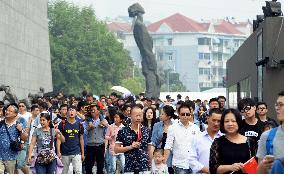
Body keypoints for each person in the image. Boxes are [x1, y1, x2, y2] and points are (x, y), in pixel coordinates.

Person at [209, 109, 257, 174]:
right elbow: (213, 169)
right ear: (223, 124)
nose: (230, 124)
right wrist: (230, 167)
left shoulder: (250, 142)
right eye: (226, 121)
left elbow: (256, 167)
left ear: (238, 122)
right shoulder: (218, 143)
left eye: (233, 121)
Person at [164, 102, 200, 174]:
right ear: (179, 114)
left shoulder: (196, 128)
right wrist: (164, 162)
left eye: (188, 114)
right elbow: (168, 146)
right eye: (183, 114)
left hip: (194, 164)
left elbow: (199, 145)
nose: (185, 116)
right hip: (179, 164)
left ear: (191, 114)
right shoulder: (172, 128)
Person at [114, 104, 152, 173]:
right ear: (130, 115)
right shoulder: (123, 131)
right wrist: (130, 147)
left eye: (140, 115)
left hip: (144, 168)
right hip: (129, 168)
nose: (138, 118)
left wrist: (151, 164)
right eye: (136, 115)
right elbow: (116, 149)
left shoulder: (147, 131)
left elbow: (150, 149)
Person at [256, 91, 284, 174]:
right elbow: (259, 172)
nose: (277, 108)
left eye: (281, 105)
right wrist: (263, 165)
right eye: (276, 104)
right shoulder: (267, 136)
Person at [190, 108, 223, 174]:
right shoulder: (197, 138)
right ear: (207, 118)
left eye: (219, 121)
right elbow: (191, 159)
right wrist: (206, 169)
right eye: (213, 120)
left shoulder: (225, 138)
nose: (216, 123)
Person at [0, 104, 28, 174]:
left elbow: (24, 138)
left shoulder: (18, 124)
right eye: (7, 110)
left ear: (15, 114)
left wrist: (21, 130)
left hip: (11, 157)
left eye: (10, 111)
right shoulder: (1, 124)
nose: (7, 112)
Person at [150, 105, 177, 174]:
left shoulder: (175, 126)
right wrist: (151, 158)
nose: (160, 115)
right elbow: (153, 142)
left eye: (162, 114)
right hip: (159, 155)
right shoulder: (157, 125)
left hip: (172, 156)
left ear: (169, 116)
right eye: (160, 113)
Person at [57, 106, 84, 174]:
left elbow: (81, 139)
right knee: (65, 172)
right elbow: (59, 139)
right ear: (67, 112)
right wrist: (58, 152)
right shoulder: (62, 124)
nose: (71, 112)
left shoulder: (79, 124)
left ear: (76, 113)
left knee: (78, 172)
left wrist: (82, 153)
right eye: (70, 110)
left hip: (76, 152)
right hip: (65, 152)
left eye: (73, 110)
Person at [84, 104, 108, 174]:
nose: (92, 112)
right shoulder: (87, 121)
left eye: (93, 110)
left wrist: (106, 125)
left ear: (98, 111)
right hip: (90, 146)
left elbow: (107, 133)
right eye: (91, 110)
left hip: (100, 145)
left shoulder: (103, 120)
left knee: (100, 166)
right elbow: (84, 133)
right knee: (88, 166)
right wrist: (88, 128)